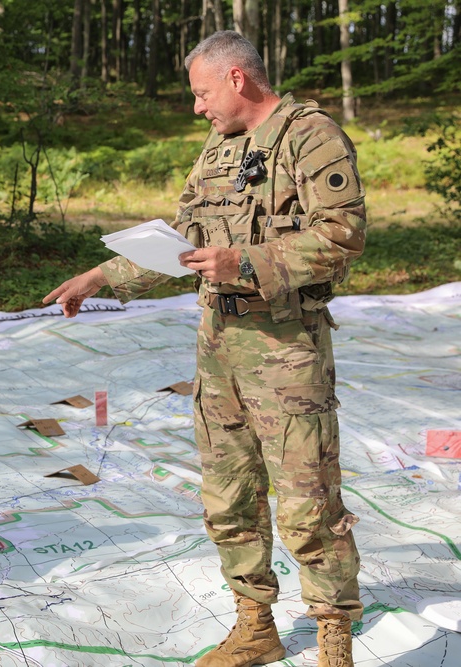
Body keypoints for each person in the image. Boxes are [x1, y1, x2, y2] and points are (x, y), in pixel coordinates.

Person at [44, 30, 365, 667]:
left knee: (307, 501)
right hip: (218, 353)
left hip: (286, 352)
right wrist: (103, 276)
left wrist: (244, 261)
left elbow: (344, 234)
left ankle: (334, 640)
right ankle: (256, 627)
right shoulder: (218, 150)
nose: (198, 108)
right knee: (228, 495)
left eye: (201, 93)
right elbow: (183, 240)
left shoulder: (311, 135)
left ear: (237, 80)